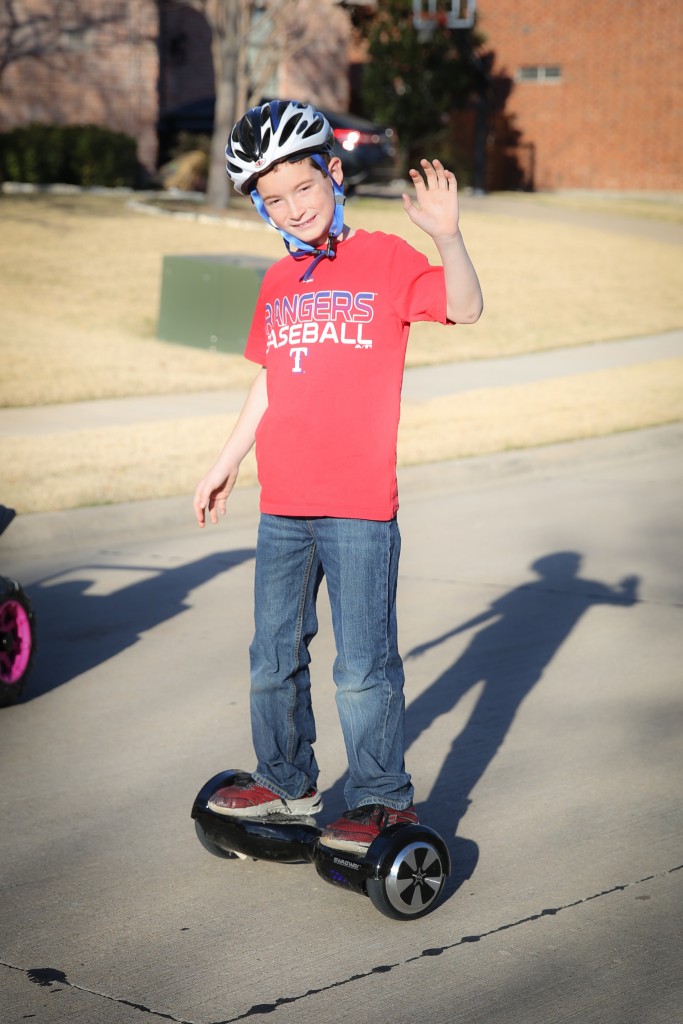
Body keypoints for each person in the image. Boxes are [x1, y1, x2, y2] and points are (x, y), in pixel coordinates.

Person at [193, 100, 483, 855]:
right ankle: (287, 784)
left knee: (361, 668)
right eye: (276, 198)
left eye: (305, 188)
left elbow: (464, 306)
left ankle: (382, 802)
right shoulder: (277, 280)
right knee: (272, 659)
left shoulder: (385, 258)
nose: (294, 207)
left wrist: (447, 238)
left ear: (333, 172)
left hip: (357, 509)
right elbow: (268, 385)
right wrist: (225, 465)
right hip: (282, 505)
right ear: (261, 206)